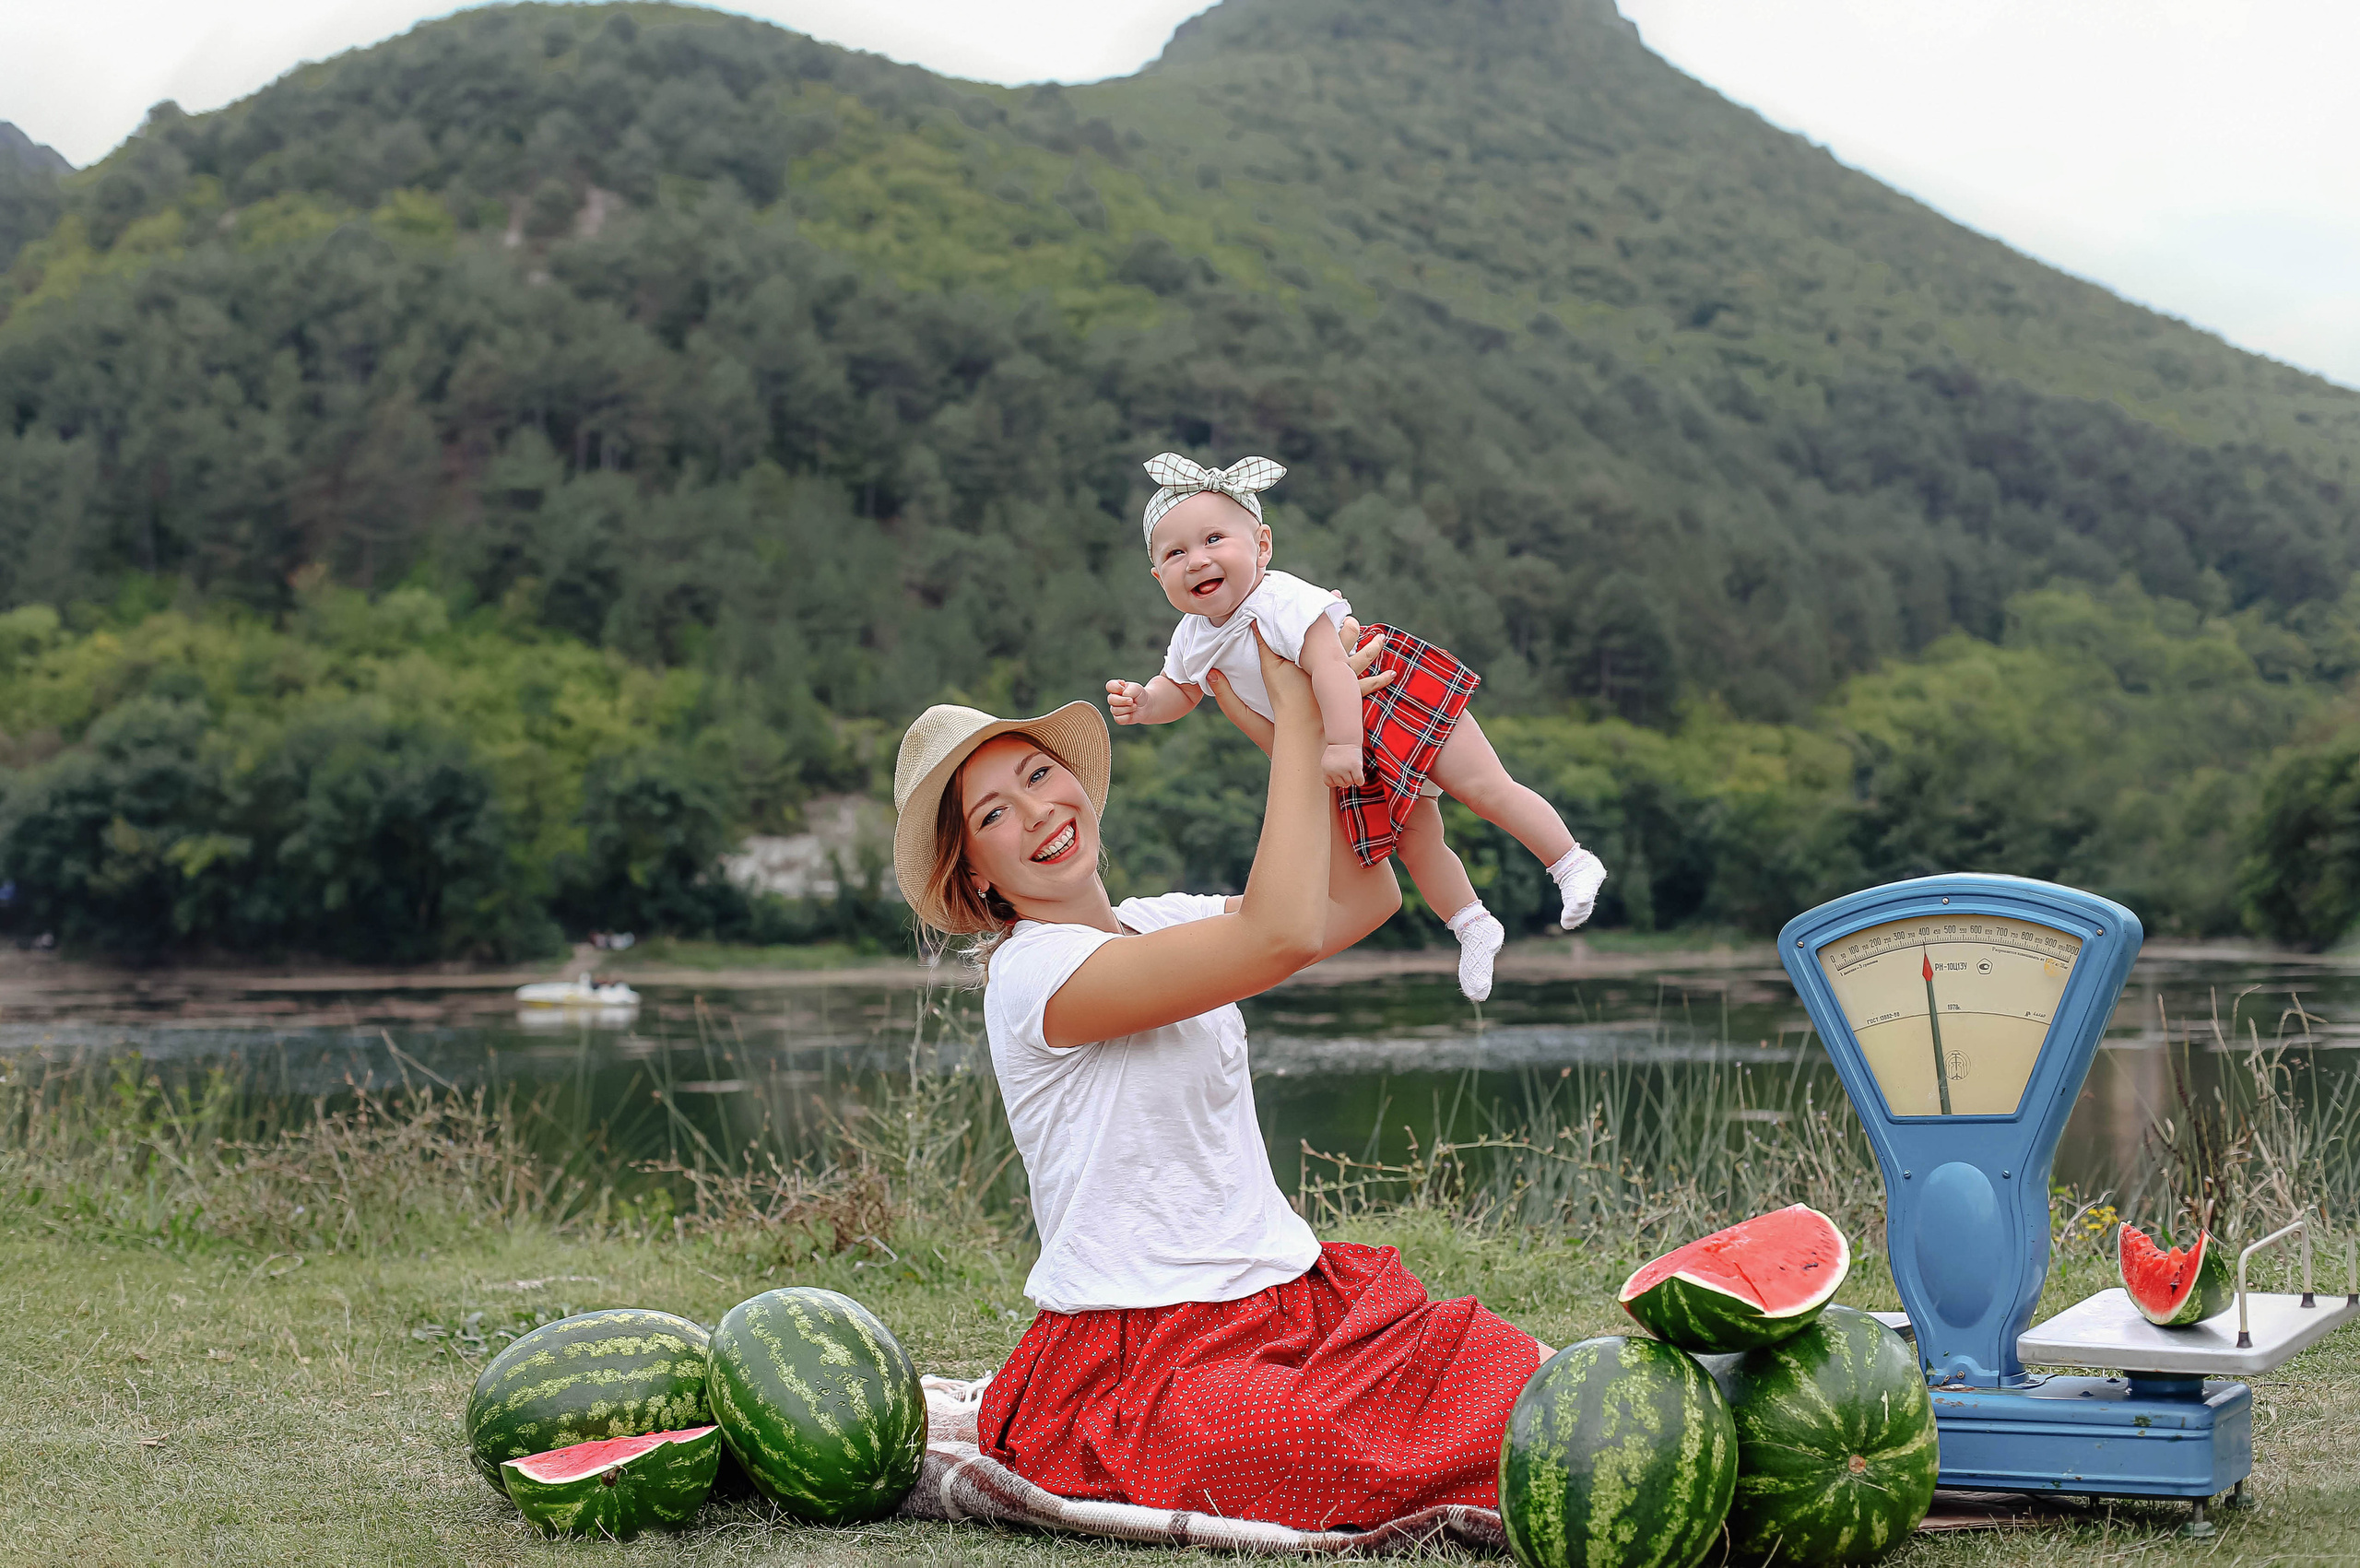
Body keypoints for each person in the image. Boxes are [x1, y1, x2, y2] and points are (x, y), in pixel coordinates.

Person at [891, 629, 1552, 1532]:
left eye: (1039, 776)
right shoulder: (1030, 975)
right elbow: (1275, 934)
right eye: (994, 813)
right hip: (1143, 1348)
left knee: (1498, 1367)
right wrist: (1292, 714)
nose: (1038, 813)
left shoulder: (1160, 921)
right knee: (1323, 1445)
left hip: (1292, 1297)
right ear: (974, 869)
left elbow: (1364, 900)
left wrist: (1325, 732)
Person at [1106, 453, 1608, 1001]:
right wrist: (1144, 702)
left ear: (1262, 546)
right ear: (1159, 577)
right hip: (1329, 740)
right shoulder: (1192, 637)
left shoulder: (1280, 599)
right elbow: (1178, 688)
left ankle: (1570, 861)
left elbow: (1330, 667)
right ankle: (1471, 924)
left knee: (1484, 787)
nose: (1196, 561)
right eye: (1176, 553)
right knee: (1416, 836)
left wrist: (1344, 743)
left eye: (1213, 540)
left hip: (1380, 695)